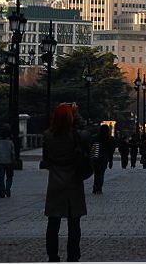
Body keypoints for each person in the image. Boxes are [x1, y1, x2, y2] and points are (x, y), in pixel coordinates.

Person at [41, 103, 89, 262]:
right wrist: (77, 115)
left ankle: (53, 256)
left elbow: (46, 160)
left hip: (55, 183)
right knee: (74, 224)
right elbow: (88, 134)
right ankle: (73, 256)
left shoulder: (48, 135)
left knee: (53, 224)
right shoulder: (75, 135)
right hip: (74, 181)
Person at [91, 124, 115, 194]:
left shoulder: (95, 138)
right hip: (104, 159)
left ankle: (95, 186)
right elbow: (111, 151)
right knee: (101, 173)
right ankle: (99, 187)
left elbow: (92, 148)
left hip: (96, 158)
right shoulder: (110, 139)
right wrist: (110, 161)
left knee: (96, 173)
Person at [0, 126, 16, 198]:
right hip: (9, 162)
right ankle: (8, 189)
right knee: (9, 176)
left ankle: (2, 191)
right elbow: (13, 153)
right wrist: (13, 160)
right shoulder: (10, 142)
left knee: (1, 177)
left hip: (1, 162)